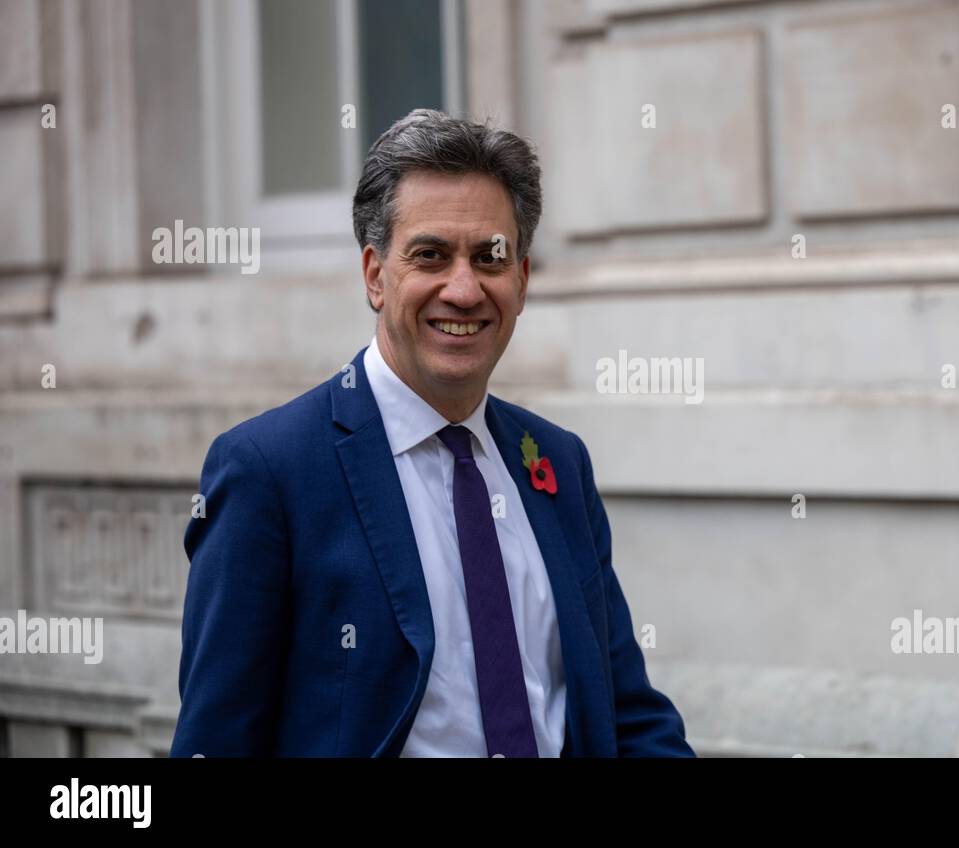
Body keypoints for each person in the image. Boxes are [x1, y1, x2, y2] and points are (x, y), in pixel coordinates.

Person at [170, 109, 694, 758]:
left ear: (523, 282)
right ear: (374, 275)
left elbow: (628, 715)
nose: (465, 289)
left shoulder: (558, 462)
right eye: (431, 255)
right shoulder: (267, 472)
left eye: (490, 258)